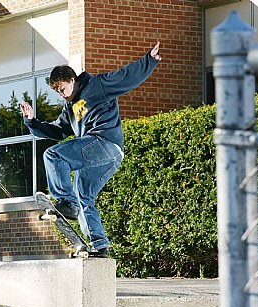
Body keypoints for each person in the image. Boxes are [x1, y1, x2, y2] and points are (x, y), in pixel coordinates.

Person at [21, 42, 161, 257]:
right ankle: (100, 245)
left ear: (72, 80)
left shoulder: (97, 85)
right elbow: (58, 131)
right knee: (84, 196)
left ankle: (67, 202)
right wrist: (32, 122)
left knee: (53, 155)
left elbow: (125, 77)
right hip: (108, 157)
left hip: (103, 142)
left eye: (62, 88)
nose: (61, 94)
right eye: (57, 92)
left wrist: (148, 61)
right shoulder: (70, 107)